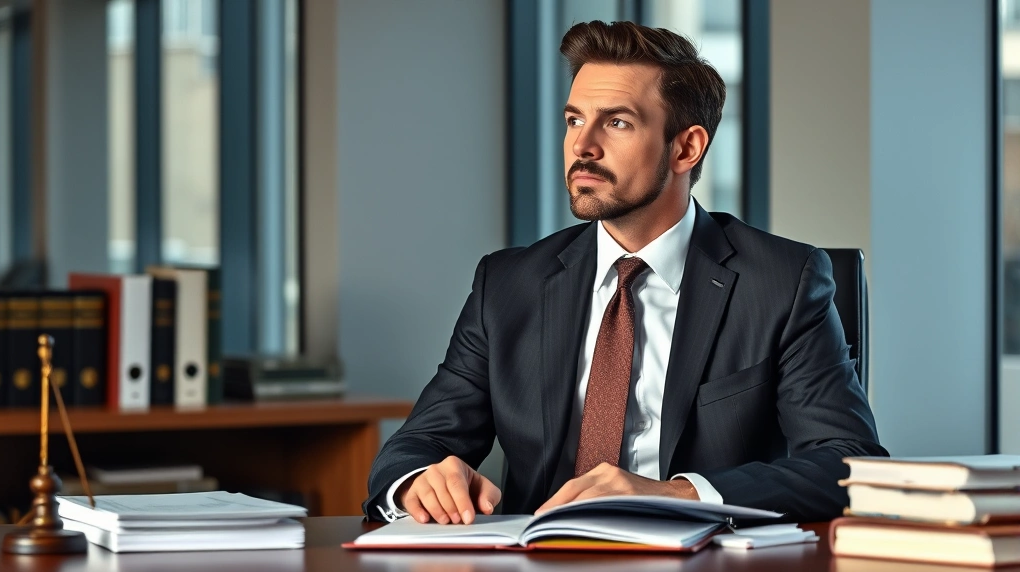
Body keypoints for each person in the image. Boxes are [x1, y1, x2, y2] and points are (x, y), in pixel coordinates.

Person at [362, 20, 887, 525]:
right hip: (538, 561)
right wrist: (417, 481)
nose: (582, 146)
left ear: (686, 147)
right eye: (573, 119)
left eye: (617, 122)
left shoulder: (782, 282)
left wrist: (679, 494)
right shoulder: (506, 284)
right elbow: (419, 444)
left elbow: (846, 465)